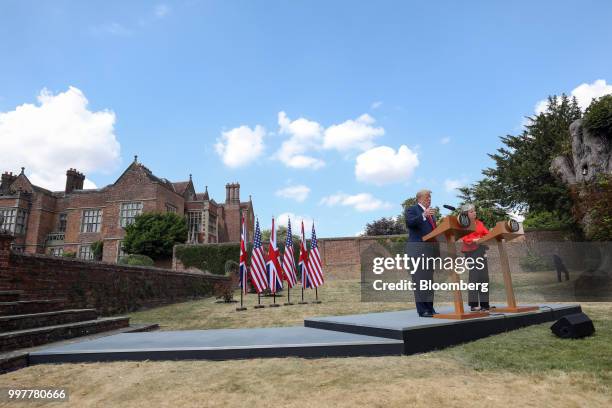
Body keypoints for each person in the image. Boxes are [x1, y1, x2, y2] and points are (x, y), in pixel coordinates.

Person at [405, 189, 438, 317]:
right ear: (419, 199)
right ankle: (422, 310)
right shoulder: (412, 209)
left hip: (429, 251)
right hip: (417, 251)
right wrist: (423, 214)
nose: (429, 199)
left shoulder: (432, 215)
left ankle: (430, 308)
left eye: (430, 197)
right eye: (427, 197)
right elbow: (410, 223)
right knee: (419, 281)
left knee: (429, 282)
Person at [460, 204, 491, 311]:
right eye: (471, 211)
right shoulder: (464, 224)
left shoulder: (479, 223)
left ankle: (485, 304)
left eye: (474, 211)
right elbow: (465, 238)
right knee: (475, 278)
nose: (474, 213)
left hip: (481, 250)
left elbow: (487, 234)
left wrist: (481, 238)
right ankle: (473, 305)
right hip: (471, 252)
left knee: (484, 278)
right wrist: (476, 239)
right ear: (466, 214)